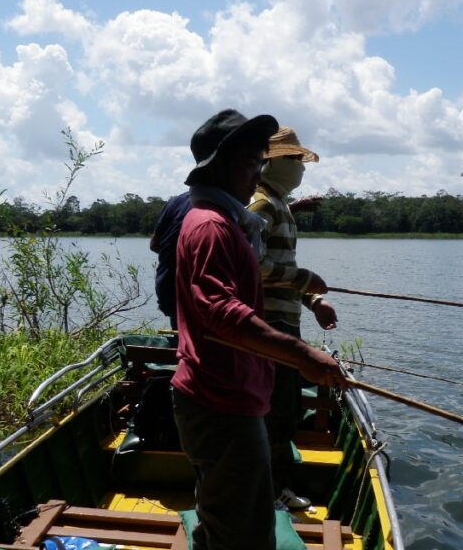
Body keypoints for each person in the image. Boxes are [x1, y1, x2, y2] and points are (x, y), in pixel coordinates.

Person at [170, 109, 347, 550]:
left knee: (222, 516)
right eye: (250, 163)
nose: (257, 174)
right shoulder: (212, 226)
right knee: (246, 534)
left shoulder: (223, 220)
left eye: (259, 163)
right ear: (219, 166)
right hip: (221, 401)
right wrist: (303, 355)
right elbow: (221, 314)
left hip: (226, 395)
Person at [247, 126, 336, 511]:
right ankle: (268, 493)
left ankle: (276, 487)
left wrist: (314, 300)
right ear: (272, 161)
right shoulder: (260, 204)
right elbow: (250, 264)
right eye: (294, 159)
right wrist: (304, 280)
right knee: (275, 411)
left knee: (284, 410)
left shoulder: (280, 204)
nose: (301, 168)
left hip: (285, 320)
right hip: (268, 326)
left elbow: (283, 266)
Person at [149, 191, 192, 329]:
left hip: (168, 289)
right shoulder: (224, 204)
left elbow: (154, 245)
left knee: (180, 342)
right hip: (193, 297)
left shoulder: (176, 201)